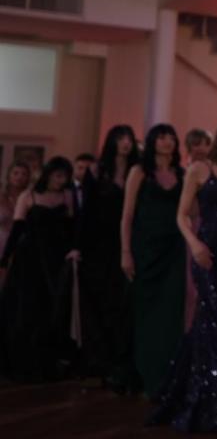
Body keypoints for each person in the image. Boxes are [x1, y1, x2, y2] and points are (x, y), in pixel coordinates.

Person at [150, 114, 217, 433]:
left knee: (209, 326)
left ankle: (201, 397)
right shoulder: (200, 169)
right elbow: (182, 216)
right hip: (207, 253)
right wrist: (195, 245)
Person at [119, 124, 186, 399]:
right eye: (161, 137)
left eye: (171, 137)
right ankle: (143, 375)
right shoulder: (139, 172)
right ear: (152, 142)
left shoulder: (182, 173)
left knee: (169, 313)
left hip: (174, 250)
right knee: (145, 313)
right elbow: (127, 216)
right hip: (145, 250)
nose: (167, 142)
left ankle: (165, 378)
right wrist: (126, 252)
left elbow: (190, 212)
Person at [0, 156, 79, 381]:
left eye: (65, 176)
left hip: (56, 259)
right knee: (25, 307)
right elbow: (17, 231)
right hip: (30, 258)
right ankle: (19, 361)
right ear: (49, 174)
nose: (61, 180)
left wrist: (74, 248)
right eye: (58, 175)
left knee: (50, 308)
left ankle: (47, 361)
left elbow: (72, 228)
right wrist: (4, 260)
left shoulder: (67, 196)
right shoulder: (29, 196)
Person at [79, 125, 138, 386]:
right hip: (99, 243)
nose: (126, 143)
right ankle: (99, 360)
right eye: (121, 138)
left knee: (122, 300)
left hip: (128, 240)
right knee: (99, 299)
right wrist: (78, 245)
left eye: (129, 139)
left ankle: (120, 358)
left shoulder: (137, 169)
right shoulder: (97, 171)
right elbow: (86, 211)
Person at [0, 162, 33, 284]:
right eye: (16, 173)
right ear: (8, 175)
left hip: (23, 245)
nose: (19, 177)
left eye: (24, 174)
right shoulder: (1, 196)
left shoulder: (32, 197)